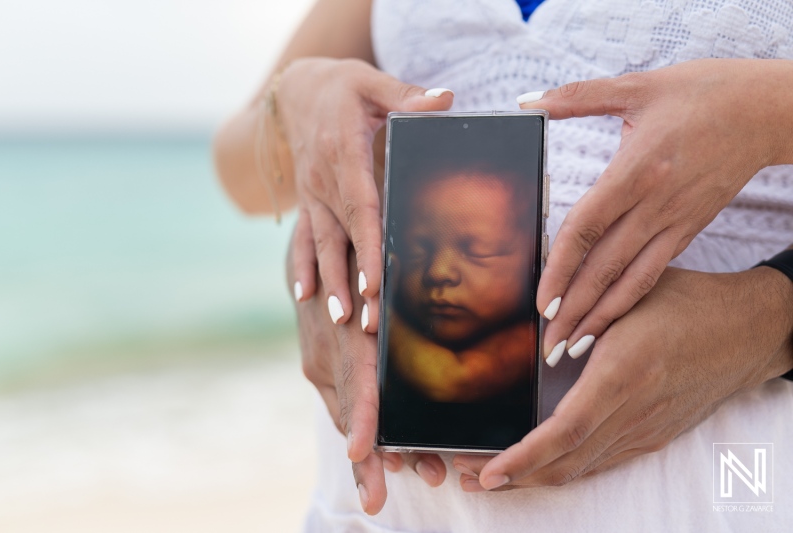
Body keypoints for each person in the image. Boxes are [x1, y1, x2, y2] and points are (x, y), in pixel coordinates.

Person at [214, 0, 793, 529]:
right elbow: (242, 177)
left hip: (712, 479)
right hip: (394, 503)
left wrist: (773, 318)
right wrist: (293, 104)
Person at [387, 165, 536, 402]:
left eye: (477, 252)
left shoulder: (531, 337)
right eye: (417, 250)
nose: (437, 272)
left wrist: (386, 316)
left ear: (533, 256)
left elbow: (453, 378)